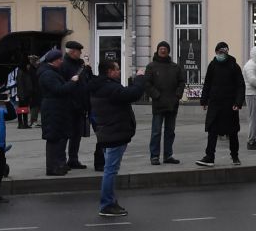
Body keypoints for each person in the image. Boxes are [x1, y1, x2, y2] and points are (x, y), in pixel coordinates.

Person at [89, 59, 147, 217]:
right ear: (109, 71)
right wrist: (140, 78)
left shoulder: (99, 85)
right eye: (117, 69)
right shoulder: (109, 87)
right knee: (110, 170)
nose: (119, 71)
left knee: (109, 168)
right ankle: (107, 204)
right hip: (114, 133)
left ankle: (110, 201)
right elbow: (133, 94)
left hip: (107, 132)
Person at [36, 43, 92, 175]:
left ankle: (61, 164)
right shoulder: (49, 74)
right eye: (59, 59)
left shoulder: (56, 71)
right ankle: (55, 166)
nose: (61, 61)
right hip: (57, 109)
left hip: (64, 108)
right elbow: (59, 90)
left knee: (62, 136)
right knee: (56, 139)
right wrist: (73, 82)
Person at [196, 41, 245, 167]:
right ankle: (209, 156)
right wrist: (204, 100)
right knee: (212, 130)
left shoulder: (234, 66)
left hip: (230, 105)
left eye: (223, 52)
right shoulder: (212, 65)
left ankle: (235, 156)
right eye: (219, 52)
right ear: (216, 52)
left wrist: (238, 102)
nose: (221, 54)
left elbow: (240, 86)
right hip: (215, 104)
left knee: (232, 132)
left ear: (227, 52)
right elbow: (207, 83)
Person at [144, 41, 185, 166]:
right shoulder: (151, 66)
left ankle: (168, 155)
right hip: (158, 104)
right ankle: (154, 156)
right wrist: (156, 95)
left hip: (172, 104)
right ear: (157, 50)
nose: (163, 50)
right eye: (160, 48)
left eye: (165, 49)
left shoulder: (175, 67)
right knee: (156, 131)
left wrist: (177, 95)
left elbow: (182, 82)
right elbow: (147, 84)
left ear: (168, 51)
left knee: (170, 131)